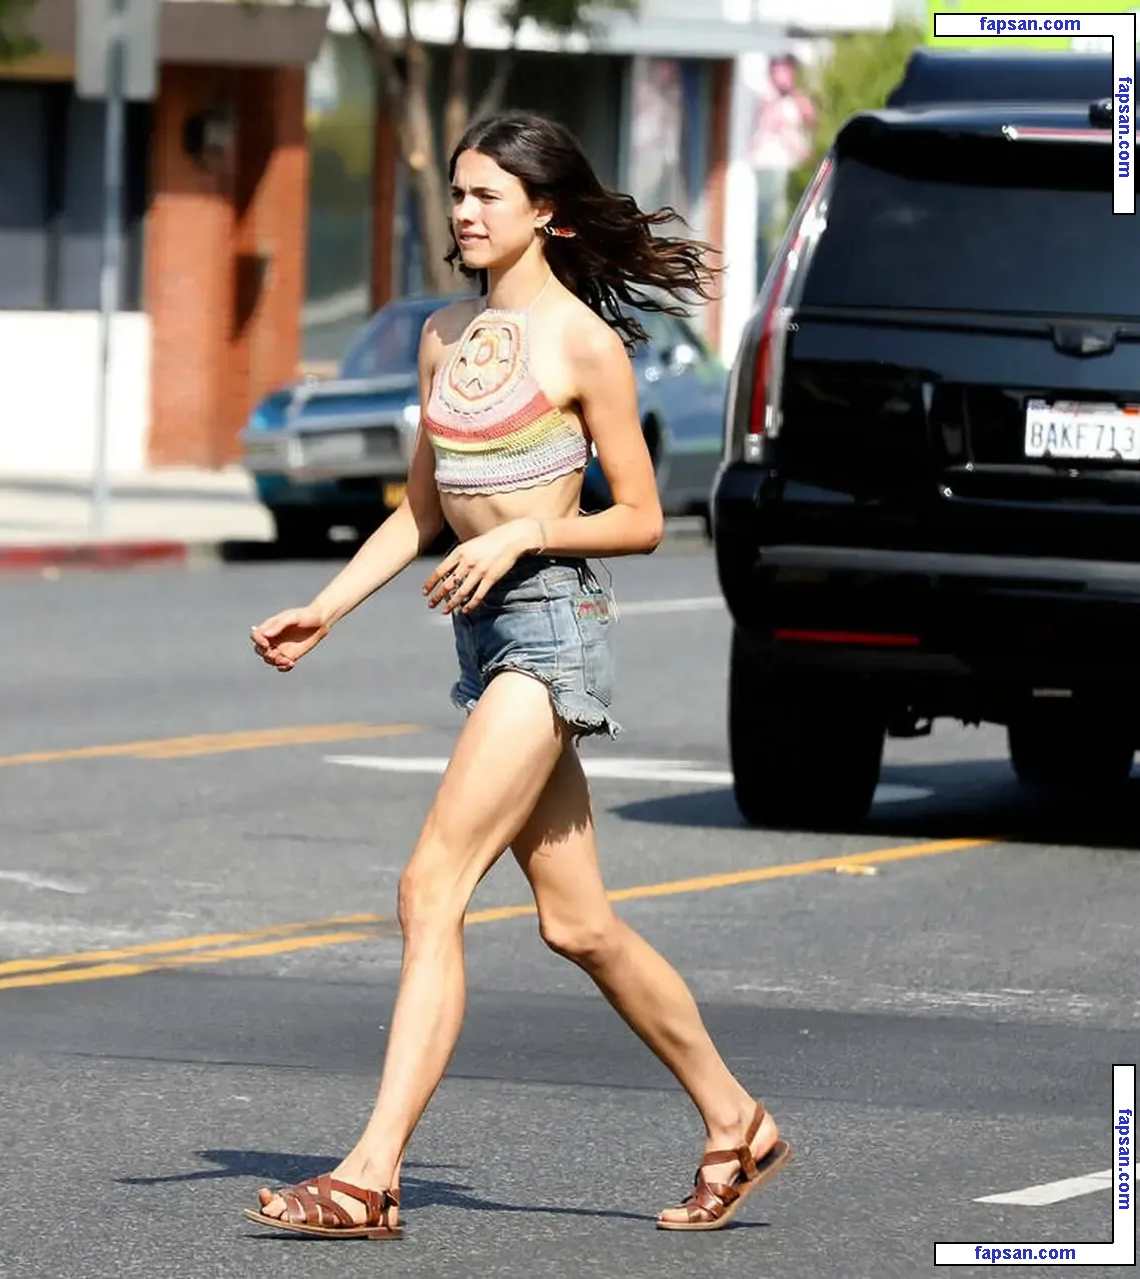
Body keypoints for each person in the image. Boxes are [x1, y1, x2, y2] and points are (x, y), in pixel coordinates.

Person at [241, 111, 793, 1241]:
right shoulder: (446, 336)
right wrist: (327, 610)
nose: (464, 212)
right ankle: (738, 1119)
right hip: (485, 638)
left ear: (544, 209)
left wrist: (529, 537)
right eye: (457, 194)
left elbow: (641, 519)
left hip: (551, 632)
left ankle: (370, 1173)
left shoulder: (583, 341)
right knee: (577, 925)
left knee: (429, 885)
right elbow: (424, 510)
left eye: (487, 194)